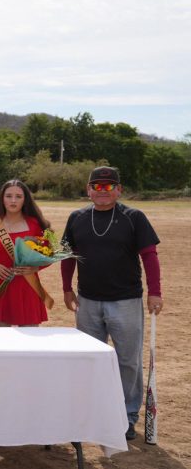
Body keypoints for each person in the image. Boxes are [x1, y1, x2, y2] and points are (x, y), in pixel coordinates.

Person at [61, 166, 163, 441]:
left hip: (126, 301)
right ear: (88, 189)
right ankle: (90, 412)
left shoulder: (134, 217)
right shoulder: (77, 217)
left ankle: (127, 416)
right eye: (97, 186)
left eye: (108, 187)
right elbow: (68, 255)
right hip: (88, 301)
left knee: (128, 361)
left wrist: (155, 292)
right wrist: (66, 289)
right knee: (89, 359)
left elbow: (149, 255)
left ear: (119, 190)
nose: (102, 191)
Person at [0, 179, 52, 326]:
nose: (13, 200)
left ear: (25, 200)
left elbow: (50, 254)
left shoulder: (37, 223)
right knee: (1, 341)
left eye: (18, 196)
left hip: (27, 286)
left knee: (29, 340)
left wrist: (36, 267)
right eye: (8, 196)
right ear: (2, 199)